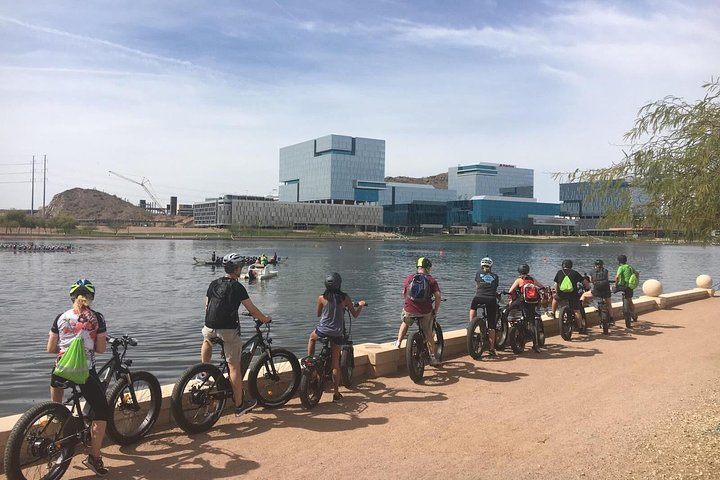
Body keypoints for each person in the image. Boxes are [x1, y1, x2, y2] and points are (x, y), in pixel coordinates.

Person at [47, 279, 110, 476]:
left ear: (72, 297)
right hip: (84, 373)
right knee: (102, 410)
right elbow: (100, 349)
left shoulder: (61, 317)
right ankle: (94, 457)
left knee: (57, 380)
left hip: (60, 370)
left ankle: (54, 413)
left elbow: (50, 349)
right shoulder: (96, 318)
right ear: (91, 298)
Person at [202, 252, 272, 416]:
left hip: (209, 326)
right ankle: (240, 405)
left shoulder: (213, 283)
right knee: (234, 366)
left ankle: (203, 372)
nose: (241, 269)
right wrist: (265, 318)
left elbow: (207, 306)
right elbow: (252, 309)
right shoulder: (237, 286)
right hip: (228, 330)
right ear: (236, 269)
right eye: (240, 267)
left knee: (207, 340)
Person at [306, 272, 366, 401]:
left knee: (311, 337)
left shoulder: (321, 298)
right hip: (336, 333)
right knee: (335, 364)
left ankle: (310, 359)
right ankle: (336, 393)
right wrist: (360, 306)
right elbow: (354, 314)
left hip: (322, 331)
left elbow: (318, 314)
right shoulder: (344, 298)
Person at [393, 257, 442, 366]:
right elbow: (438, 296)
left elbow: (403, 293)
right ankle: (433, 358)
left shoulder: (410, 278)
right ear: (428, 268)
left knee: (405, 323)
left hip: (409, 310)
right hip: (425, 311)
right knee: (428, 331)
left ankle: (398, 343)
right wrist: (435, 310)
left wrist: (408, 305)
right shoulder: (431, 280)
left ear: (418, 267)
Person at [469, 257, 500, 356]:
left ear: (481, 266)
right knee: (491, 325)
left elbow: (477, 286)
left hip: (479, 297)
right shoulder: (495, 276)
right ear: (491, 266)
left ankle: (471, 326)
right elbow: (493, 289)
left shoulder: (478, 274)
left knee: (473, 307)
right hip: (491, 299)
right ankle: (491, 349)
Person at [552, 259, 585, 329]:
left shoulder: (559, 272)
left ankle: (553, 313)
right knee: (577, 311)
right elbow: (584, 282)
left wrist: (557, 293)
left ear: (562, 265)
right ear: (571, 265)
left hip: (562, 294)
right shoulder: (575, 273)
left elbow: (556, 285)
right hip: (573, 295)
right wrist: (587, 288)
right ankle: (580, 327)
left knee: (555, 299)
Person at [615, 254, 639, 322]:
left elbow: (617, 277)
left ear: (619, 261)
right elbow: (637, 274)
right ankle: (634, 314)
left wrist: (616, 285)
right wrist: (636, 282)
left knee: (610, 291)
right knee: (630, 300)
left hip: (622, 286)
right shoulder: (630, 267)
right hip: (629, 287)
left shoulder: (621, 267)